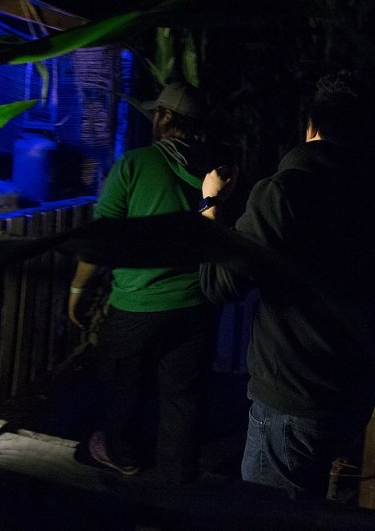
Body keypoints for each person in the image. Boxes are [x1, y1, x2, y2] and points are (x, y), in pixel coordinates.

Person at [198, 71, 375, 499]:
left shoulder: (287, 191)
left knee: (268, 515)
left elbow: (218, 282)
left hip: (294, 398)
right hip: (352, 393)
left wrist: (211, 204)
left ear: (311, 125)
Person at [68, 81, 219, 485]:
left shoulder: (134, 164)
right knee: (181, 397)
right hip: (195, 306)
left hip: (138, 305)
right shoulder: (217, 168)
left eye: (157, 113)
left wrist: (77, 291)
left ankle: (121, 456)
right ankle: (177, 481)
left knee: (122, 385)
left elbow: (101, 241)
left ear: (165, 118)